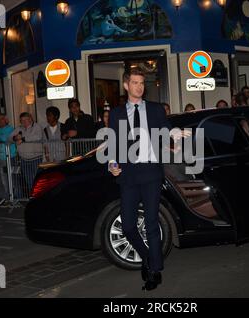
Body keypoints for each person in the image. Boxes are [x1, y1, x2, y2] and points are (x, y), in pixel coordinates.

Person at [108, 67, 172, 291]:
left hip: (151, 173)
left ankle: (155, 271)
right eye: (135, 83)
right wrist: (112, 164)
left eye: (142, 83)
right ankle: (147, 257)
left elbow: (166, 128)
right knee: (127, 226)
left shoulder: (155, 109)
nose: (139, 87)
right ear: (126, 85)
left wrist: (170, 136)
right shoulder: (116, 114)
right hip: (128, 176)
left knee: (152, 224)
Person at [9, 112, 43, 196]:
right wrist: (15, 138)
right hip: (23, 159)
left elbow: (37, 137)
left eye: (25, 120)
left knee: (37, 180)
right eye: (21, 120)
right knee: (29, 181)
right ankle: (34, 197)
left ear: (30, 119)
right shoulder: (19, 128)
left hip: (36, 159)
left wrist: (22, 139)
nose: (23, 122)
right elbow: (9, 138)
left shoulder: (37, 126)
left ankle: (40, 198)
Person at [0, 114, 17, 199]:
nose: (0, 121)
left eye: (2, 119)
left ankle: (15, 196)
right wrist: (0, 137)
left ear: (6, 120)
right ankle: (8, 196)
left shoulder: (11, 129)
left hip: (10, 157)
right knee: (4, 178)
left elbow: (5, 139)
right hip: (1, 158)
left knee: (12, 178)